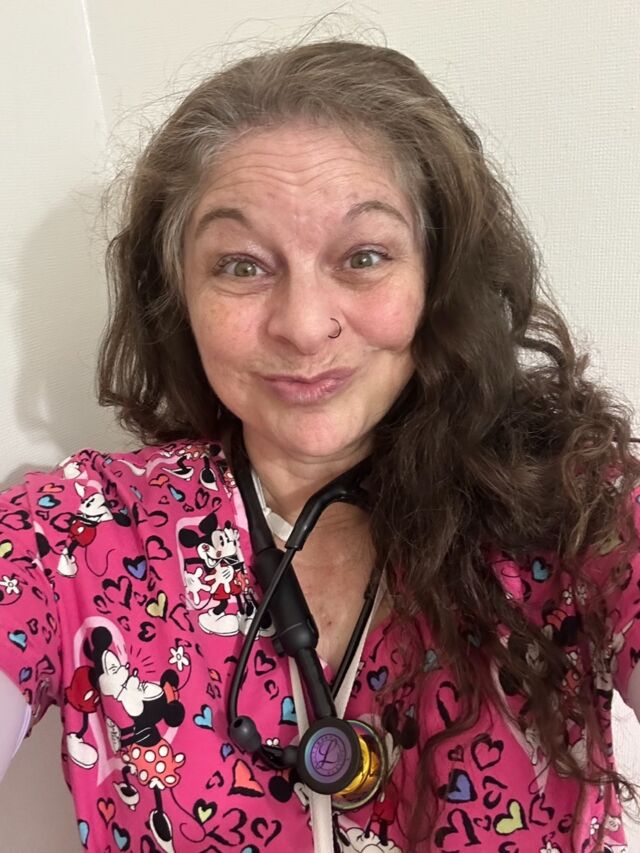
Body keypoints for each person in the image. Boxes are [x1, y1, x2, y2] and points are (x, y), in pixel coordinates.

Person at [0, 38, 639, 853]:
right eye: (241, 266)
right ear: (178, 296)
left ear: (437, 278)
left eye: (364, 256)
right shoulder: (76, 535)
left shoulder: (572, 502)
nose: (303, 327)